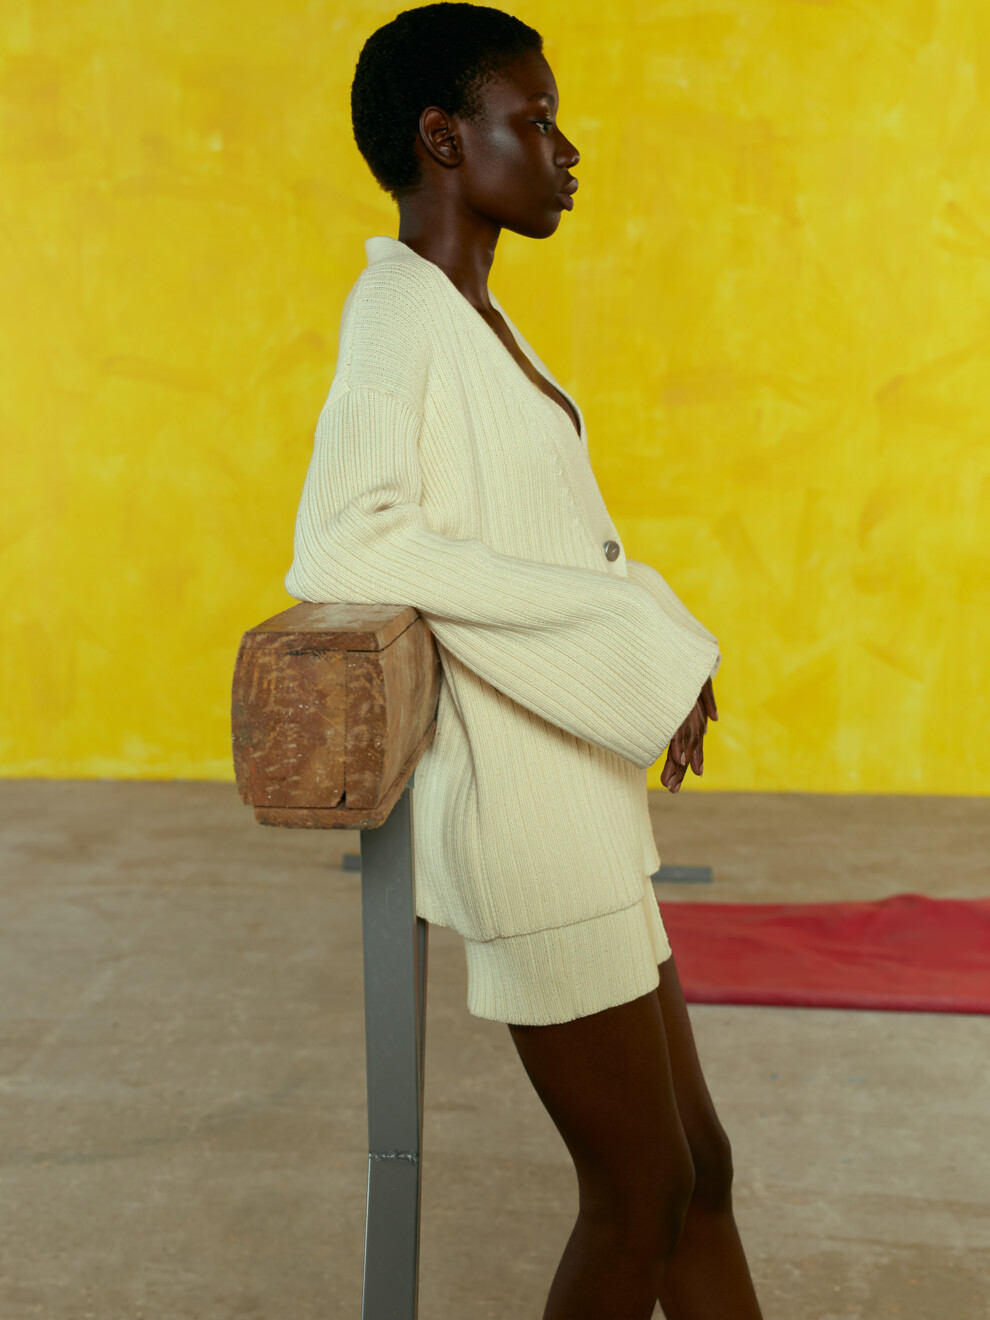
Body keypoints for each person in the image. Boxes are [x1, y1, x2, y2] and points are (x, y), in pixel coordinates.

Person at [286, 4, 764, 1316]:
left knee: (697, 1173)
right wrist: (627, 639)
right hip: (525, 822)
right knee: (640, 1191)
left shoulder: (472, 312)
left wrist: (648, 643)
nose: (565, 147)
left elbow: (538, 540)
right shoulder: (398, 311)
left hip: (581, 804)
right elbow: (345, 535)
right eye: (534, 118)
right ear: (444, 139)